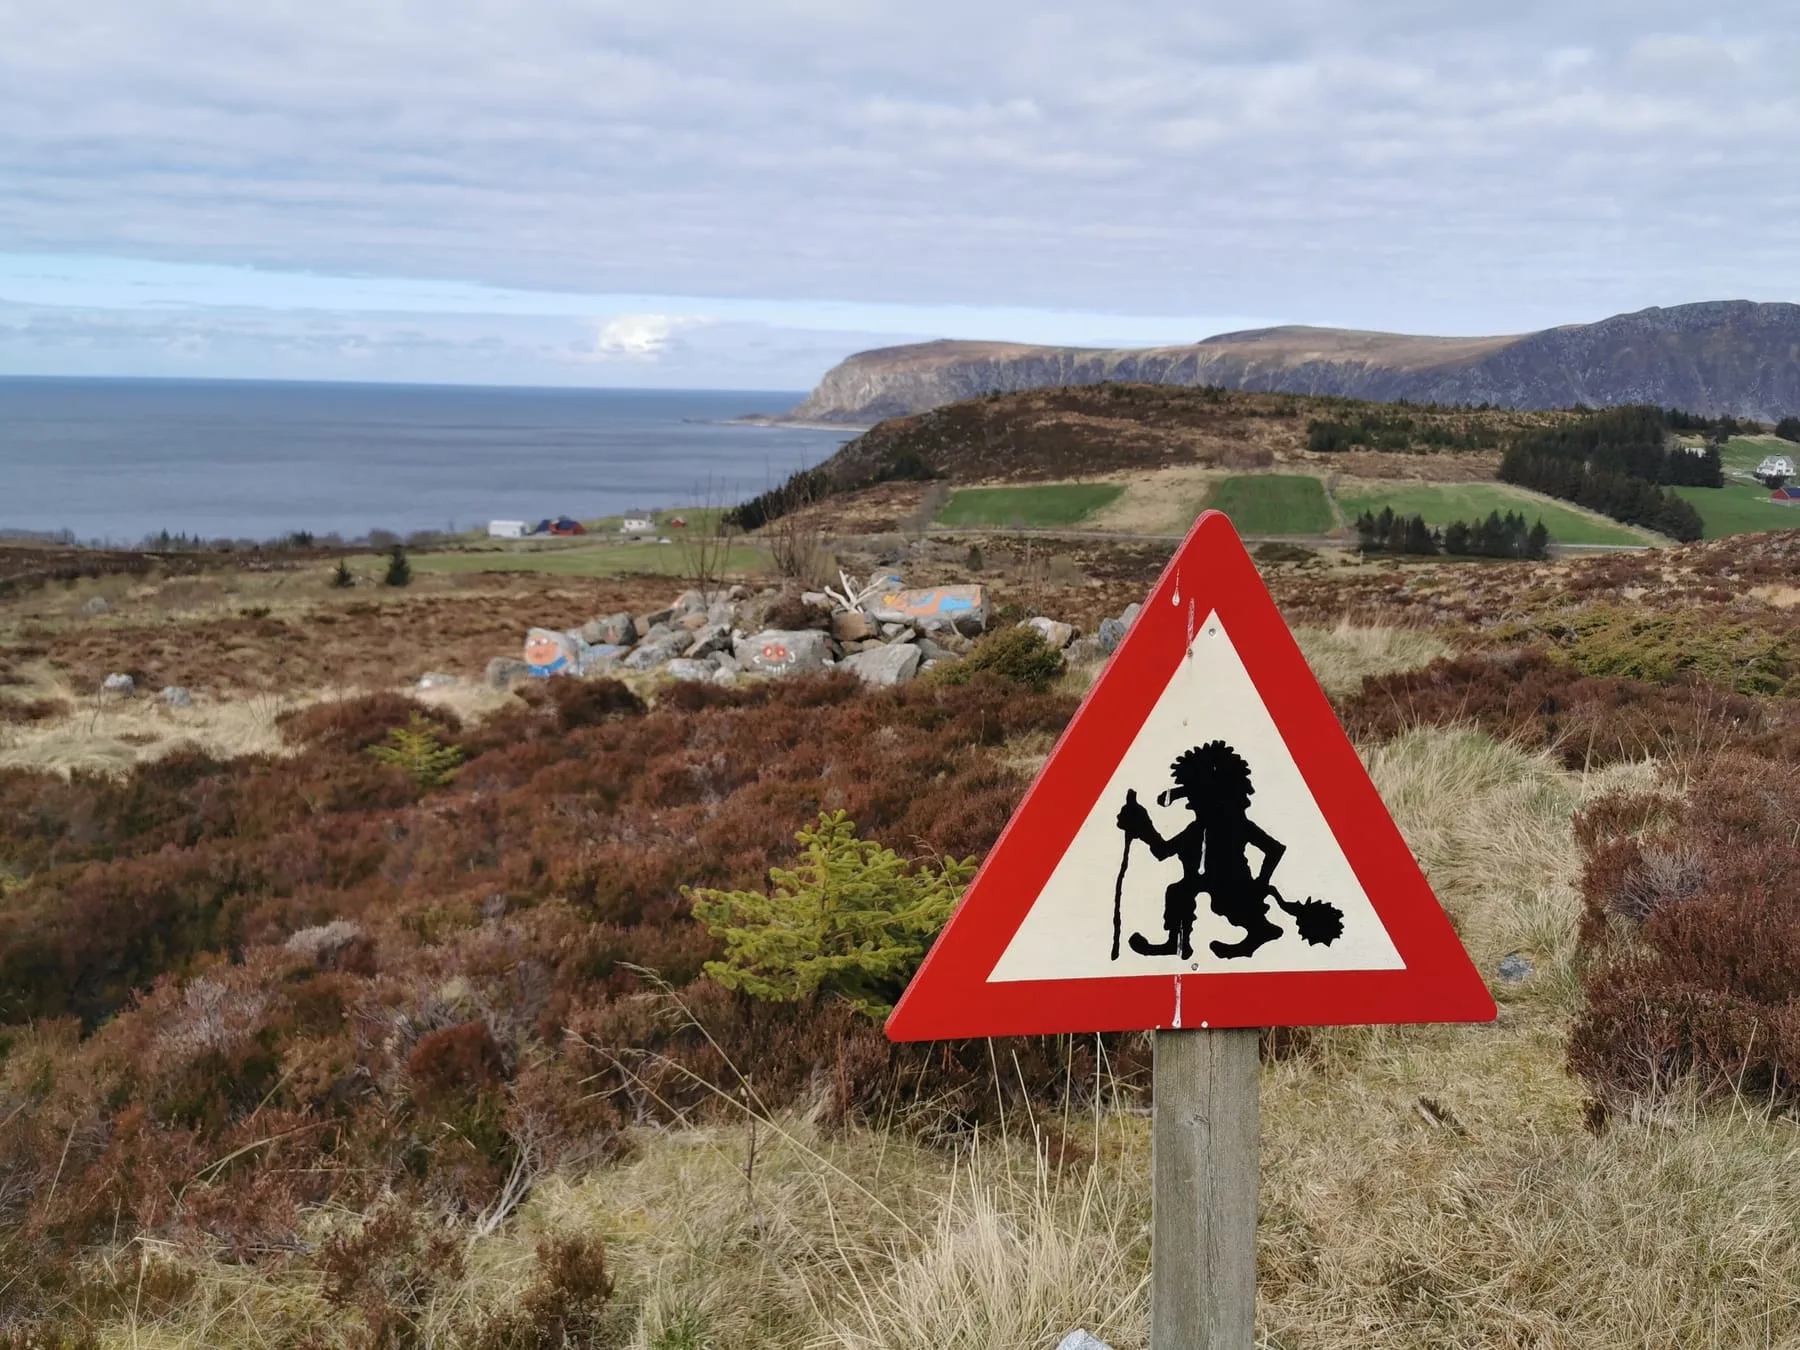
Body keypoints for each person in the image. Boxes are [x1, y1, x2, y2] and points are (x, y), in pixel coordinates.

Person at [1116, 740, 1287, 960]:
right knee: (1178, 892)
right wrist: (1142, 826)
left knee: (1228, 900)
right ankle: (1177, 943)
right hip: (1204, 878)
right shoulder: (1199, 828)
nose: (1192, 802)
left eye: (1195, 796)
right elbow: (1162, 851)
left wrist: (1261, 883)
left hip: (1231, 880)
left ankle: (1260, 929)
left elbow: (1274, 849)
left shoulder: (1234, 823)